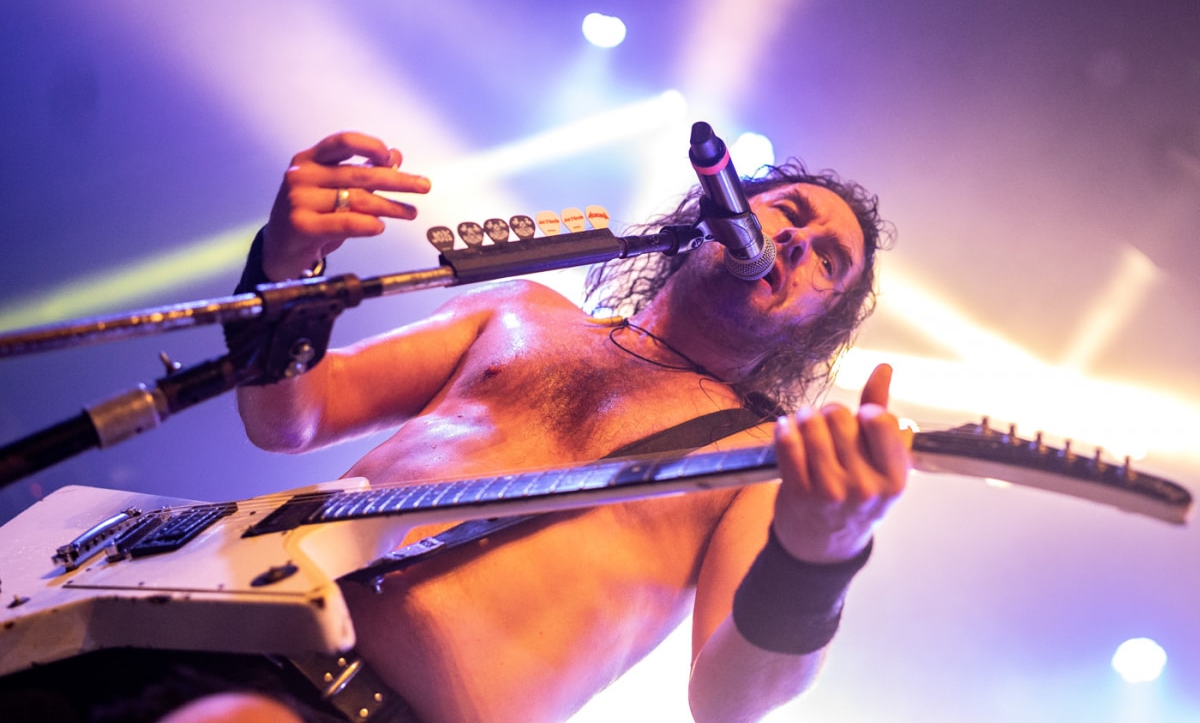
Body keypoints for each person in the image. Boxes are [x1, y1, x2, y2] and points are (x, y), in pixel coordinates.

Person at [189, 129, 910, 722]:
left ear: (816, 326)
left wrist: (821, 555)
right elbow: (293, 417)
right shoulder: (520, 311)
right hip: (212, 639)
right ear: (711, 216)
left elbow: (729, 702)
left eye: (828, 261)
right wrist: (284, 268)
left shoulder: (763, 459)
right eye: (788, 212)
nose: (797, 241)